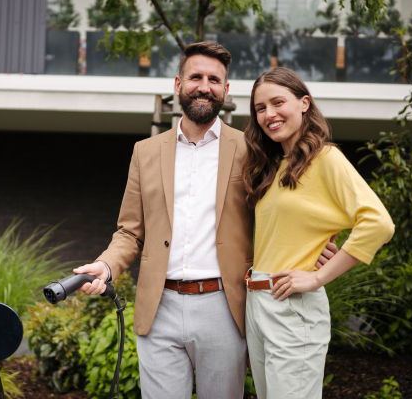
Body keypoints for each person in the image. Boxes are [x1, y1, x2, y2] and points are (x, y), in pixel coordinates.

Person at [73, 44, 337, 399]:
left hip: (224, 308)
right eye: (196, 77)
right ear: (179, 83)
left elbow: (291, 207)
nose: (205, 86)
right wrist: (106, 265)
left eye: (215, 79)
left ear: (226, 91)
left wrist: (315, 248)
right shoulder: (145, 152)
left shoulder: (251, 150)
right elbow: (130, 232)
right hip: (158, 307)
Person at [241, 67, 395, 399]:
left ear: (304, 103)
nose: (269, 114)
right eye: (260, 108)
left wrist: (318, 277)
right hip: (258, 302)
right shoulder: (274, 166)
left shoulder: (326, 159)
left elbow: (379, 222)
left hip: (292, 304)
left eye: (278, 102)